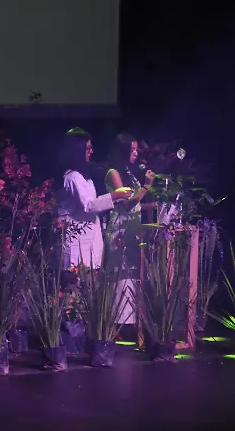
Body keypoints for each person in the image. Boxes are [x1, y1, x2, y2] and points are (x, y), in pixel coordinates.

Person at [57, 128, 132, 270]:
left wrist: (116, 198)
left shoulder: (86, 179)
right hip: (76, 245)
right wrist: (116, 195)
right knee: (74, 288)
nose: (91, 152)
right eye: (88, 148)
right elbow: (89, 205)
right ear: (77, 150)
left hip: (88, 242)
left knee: (88, 287)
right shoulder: (72, 177)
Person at [104, 133, 156, 325]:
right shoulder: (113, 173)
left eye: (136, 149)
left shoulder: (128, 172)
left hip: (132, 230)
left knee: (133, 274)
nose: (135, 153)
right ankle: (115, 322)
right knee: (119, 275)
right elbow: (125, 204)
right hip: (119, 229)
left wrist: (152, 206)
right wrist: (145, 187)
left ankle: (129, 321)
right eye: (132, 149)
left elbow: (136, 205)